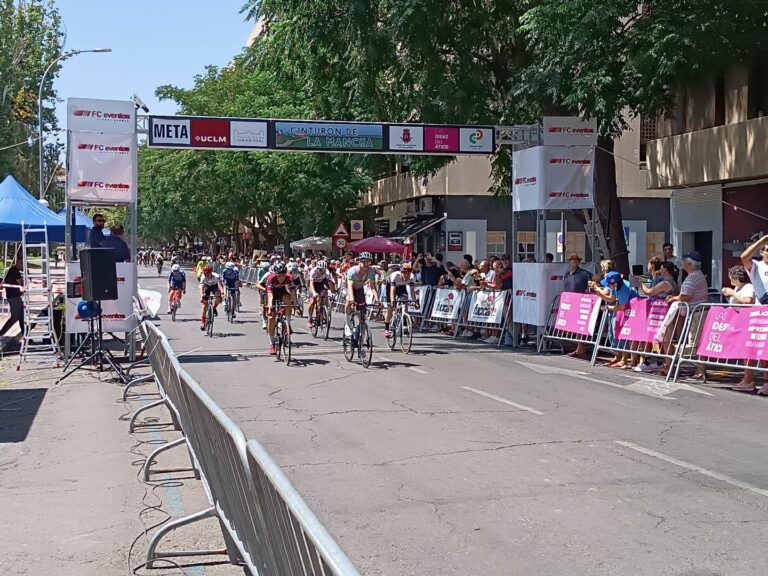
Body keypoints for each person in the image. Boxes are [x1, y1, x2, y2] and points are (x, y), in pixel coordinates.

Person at [720, 265, 761, 392]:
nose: (729, 279)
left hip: (747, 322)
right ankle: (746, 379)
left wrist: (732, 293)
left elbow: (747, 301)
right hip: (739, 322)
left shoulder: (748, 287)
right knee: (744, 353)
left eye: (731, 277)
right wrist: (729, 295)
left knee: (748, 353)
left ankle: (748, 380)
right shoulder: (738, 287)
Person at [590, 270, 635, 368]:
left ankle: (624, 359)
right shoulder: (616, 286)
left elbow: (622, 307)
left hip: (631, 311)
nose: (607, 286)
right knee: (615, 333)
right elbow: (612, 299)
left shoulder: (624, 288)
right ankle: (618, 356)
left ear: (614, 283)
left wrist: (608, 307)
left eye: (608, 284)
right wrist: (599, 294)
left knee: (624, 334)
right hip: (624, 311)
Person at [563, 254, 593, 357]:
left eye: (576, 260)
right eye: (572, 260)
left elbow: (594, 279)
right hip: (570, 303)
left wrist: (588, 292)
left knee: (580, 326)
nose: (574, 262)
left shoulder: (585, 274)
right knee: (574, 327)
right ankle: (579, 347)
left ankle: (580, 347)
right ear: (569, 261)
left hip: (581, 303)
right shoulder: (567, 274)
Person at [345, 252, 379, 333]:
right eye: (364, 262)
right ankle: (347, 323)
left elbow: (373, 287)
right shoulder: (352, 271)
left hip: (359, 289)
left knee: (362, 310)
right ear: (359, 262)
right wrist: (352, 299)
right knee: (348, 301)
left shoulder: (371, 271)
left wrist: (377, 300)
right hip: (350, 288)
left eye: (368, 262)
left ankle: (361, 327)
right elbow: (350, 286)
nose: (366, 264)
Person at [265, 262, 295, 355]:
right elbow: (270, 295)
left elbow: (293, 292)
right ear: (275, 274)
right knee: (271, 318)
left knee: (287, 300)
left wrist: (296, 304)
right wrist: (270, 307)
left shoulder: (289, 277)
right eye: (279, 276)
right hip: (272, 293)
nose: (281, 277)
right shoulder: (271, 278)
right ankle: (272, 343)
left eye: (283, 275)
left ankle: (287, 322)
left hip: (282, 291)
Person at [384, 262, 419, 338]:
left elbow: (412, 292)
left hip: (402, 287)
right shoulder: (395, 276)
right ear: (401, 272)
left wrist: (415, 302)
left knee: (405, 301)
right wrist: (392, 300)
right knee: (390, 306)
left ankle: (405, 323)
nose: (407, 276)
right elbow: (392, 291)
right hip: (390, 285)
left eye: (408, 273)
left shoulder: (412, 277)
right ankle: (386, 328)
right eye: (405, 273)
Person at [306, 260, 336, 328]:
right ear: (318, 269)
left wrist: (333, 292)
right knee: (312, 301)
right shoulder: (313, 271)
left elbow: (330, 283)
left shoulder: (327, 272)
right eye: (321, 270)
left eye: (324, 270)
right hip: (313, 283)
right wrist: (313, 293)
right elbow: (311, 284)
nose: (322, 272)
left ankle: (323, 310)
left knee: (324, 293)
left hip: (321, 282)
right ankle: (310, 318)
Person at [0, 256, 24, 337]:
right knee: (15, 317)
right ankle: (1, 333)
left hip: (14, 296)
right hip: (14, 297)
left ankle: (26, 335)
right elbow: (21, 284)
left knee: (22, 317)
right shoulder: (15, 271)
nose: (22, 265)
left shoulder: (12, 270)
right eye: (21, 263)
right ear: (16, 262)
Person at [740, 234, 768, 304]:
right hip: (763, 309)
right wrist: (760, 242)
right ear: (761, 253)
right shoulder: (757, 265)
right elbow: (744, 258)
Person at [198, 265, 222, 331]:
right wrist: (202, 296)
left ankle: (214, 308)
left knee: (218, 297)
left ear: (211, 272)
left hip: (214, 286)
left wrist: (223, 293)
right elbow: (201, 288)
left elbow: (223, 285)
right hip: (207, 287)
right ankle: (203, 322)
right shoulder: (203, 277)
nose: (206, 276)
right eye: (205, 274)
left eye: (208, 274)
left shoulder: (216, 276)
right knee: (204, 305)